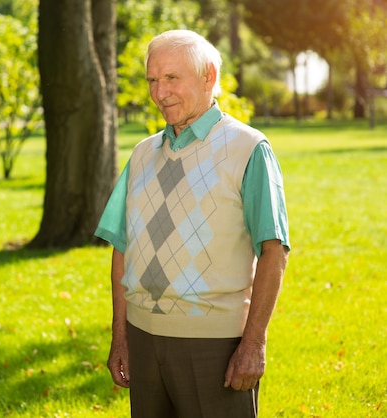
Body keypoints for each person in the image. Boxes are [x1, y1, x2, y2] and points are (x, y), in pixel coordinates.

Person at [94, 29, 290, 417]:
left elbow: (273, 251)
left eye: (171, 78)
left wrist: (253, 344)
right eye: (152, 79)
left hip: (215, 347)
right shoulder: (141, 154)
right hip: (143, 340)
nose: (159, 92)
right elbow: (122, 248)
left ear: (208, 78)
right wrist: (121, 336)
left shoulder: (249, 148)